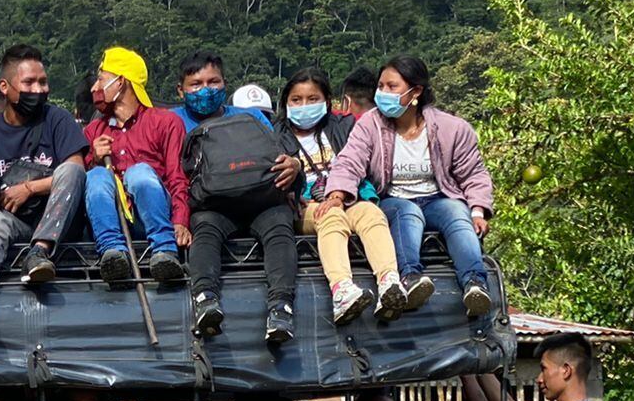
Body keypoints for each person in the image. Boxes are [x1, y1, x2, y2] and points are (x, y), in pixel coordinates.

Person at [323, 55, 495, 319]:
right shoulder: (370, 124)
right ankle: (410, 277)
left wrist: (478, 210)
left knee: (458, 214)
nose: (383, 93)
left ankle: (475, 282)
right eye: (381, 86)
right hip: (393, 198)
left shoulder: (451, 129)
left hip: (437, 196)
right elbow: (350, 160)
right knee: (407, 213)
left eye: (392, 87)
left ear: (415, 92)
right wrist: (337, 194)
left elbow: (473, 173)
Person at [171, 52, 303, 346]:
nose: (206, 89)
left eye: (213, 81)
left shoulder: (251, 116)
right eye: (196, 84)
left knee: (280, 227)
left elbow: (284, 155)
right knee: (204, 231)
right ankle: (205, 300)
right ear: (180, 90)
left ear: (225, 84)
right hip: (212, 207)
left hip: (262, 201)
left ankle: (281, 308)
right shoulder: (171, 122)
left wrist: (294, 168)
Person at [0, 45, 89, 327]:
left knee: (69, 170)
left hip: (59, 222)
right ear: (5, 87)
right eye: (29, 82)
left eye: (42, 82)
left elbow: (76, 170)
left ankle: (39, 253)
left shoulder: (58, 119)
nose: (39, 90)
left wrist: (29, 189)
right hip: (14, 221)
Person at [277, 69, 406, 326]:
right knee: (332, 216)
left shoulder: (344, 127)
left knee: (371, 214)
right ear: (286, 104)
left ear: (327, 102)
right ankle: (342, 290)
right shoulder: (273, 137)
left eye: (313, 99)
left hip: (346, 196)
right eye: (296, 100)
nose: (304, 106)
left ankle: (389, 281)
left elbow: (360, 167)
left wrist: (360, 195)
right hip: (306, 206)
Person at [82, 46, 191, 287]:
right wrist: (93, 158)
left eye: (101, 80)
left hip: (153, 218)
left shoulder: (165, 122)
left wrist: (181, 219)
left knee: (139, 172)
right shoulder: (93, 131)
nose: (94, 89)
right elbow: (83, 184)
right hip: (112, 222)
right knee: (97, 175)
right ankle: (113, 254)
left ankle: (164, 251)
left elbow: (177, 176)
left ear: (120, 82)